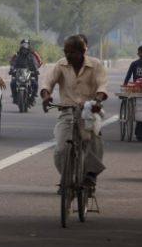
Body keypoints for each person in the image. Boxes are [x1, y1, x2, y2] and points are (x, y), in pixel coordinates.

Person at [40, 35, 108, 190]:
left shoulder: (96, 65)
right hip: (67, 111)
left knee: (94, 138)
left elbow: (102, 85)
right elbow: (47, 81)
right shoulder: (61, 65)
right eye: (66, 52)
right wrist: (46, 96)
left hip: (89, 111)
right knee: (61, 149)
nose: (68, 55)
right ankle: (67, 177)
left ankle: (91, 174)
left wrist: (97, 101)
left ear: (82, 52)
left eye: (72, 52)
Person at [9, 39, 39, 104]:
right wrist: (12, 69)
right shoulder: (17, 56)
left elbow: (35, 63)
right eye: (23, 49)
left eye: (25, 50)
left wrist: (36, 70)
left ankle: (33, 96)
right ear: (21, 49)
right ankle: (14, 96)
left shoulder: (31, 56)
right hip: (19, 73)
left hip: (28, 73)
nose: (24, 51)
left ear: (28, 50)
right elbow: (13, 62)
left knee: (34, 83)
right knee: (13, 83)